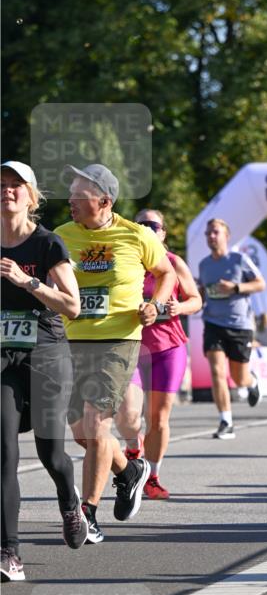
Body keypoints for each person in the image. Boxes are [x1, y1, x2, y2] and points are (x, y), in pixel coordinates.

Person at [55, 163, 177, 544]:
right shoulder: (60, 236)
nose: (71, 200)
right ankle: (128, 472)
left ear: (105, 201)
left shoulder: (137, 235)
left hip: (119, 341)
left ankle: (87, 512)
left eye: (79, 195)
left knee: (96, 423)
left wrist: (154, 304)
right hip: (71, 340)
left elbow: (167, 273)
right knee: (82, 435)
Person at [1, 161, 88, 580]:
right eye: (1, 185)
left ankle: (70, 503)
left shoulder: (48, 244)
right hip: (3, 359)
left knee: (50, 453)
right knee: (4, 454)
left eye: (16, 185)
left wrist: (26, 282)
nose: (7, 191)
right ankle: (9, 554)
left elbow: (72, 305)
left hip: (47, 353)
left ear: (32, 196)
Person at [115, 210, 202, 499]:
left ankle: (152, 476)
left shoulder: (174, 263)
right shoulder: (127, 263)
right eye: (139, 224)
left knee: (159, 417)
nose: (145, 228)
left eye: (152, 225)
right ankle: (132, 445)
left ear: (162, 233)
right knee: (128, 415)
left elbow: (195, 299)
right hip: (133, 345)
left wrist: (181, 308)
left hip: (169, 347)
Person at [198, 218, 265, 439]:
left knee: (239, 379)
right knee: (217, 371)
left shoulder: (239, 259)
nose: (211, 236)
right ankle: (226, 421)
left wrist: (236, 287)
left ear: (227, 236)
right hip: (213, 323)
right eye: (208, 233)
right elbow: (205, 293)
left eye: (215, 232)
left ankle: (252, 382)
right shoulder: (204, 265)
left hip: (240, 325)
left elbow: (260, 284)